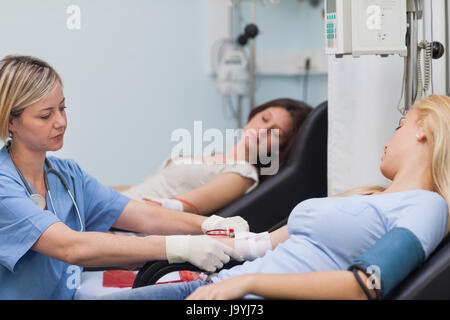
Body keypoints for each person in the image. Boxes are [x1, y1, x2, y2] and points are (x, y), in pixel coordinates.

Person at [97, 94, 450, 300]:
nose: (388, 141)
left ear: (423, 130)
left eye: (399, 126)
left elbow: (365, 285)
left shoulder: (427, 205)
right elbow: (257, 245)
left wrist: (246, 282)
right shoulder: (368, 197)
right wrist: (187, 243)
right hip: (214, 288)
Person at [0, 55, 249, 300]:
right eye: (46, 115)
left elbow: (140, 215)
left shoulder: (66, 174)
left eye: (62, 108)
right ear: (12, 121)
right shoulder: (3, 184)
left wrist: (208, 224)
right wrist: (179, 246)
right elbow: (72, 247)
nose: (61, 122)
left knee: (195, 292)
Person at [115, 98, 312, 216]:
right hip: (119, 208)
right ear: (254, 114)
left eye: (274, 132)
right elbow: (148, 187)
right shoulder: (219, 155)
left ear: (280, 148)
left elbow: (174, 210)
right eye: (264, 118)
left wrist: (106, 207)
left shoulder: (241, 174)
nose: (261, 130)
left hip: (123, 224)